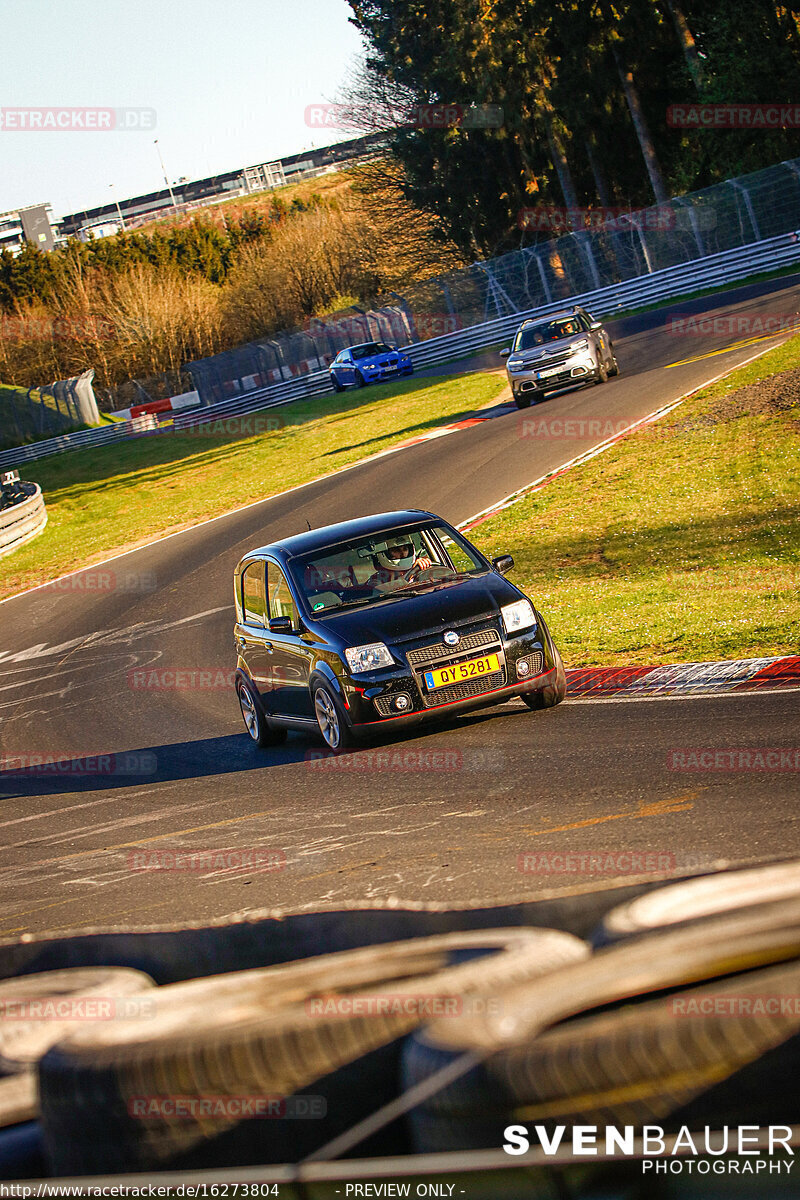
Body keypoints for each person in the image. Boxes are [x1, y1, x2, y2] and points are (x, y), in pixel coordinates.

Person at [367, 535, 432, 593]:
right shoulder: (376, 580)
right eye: (396, 550)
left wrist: (424, 565)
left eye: (405, 549)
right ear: (384, 553)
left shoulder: (418, 569)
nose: (402, 553)